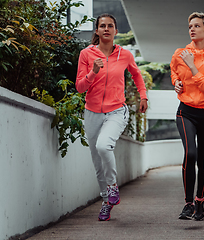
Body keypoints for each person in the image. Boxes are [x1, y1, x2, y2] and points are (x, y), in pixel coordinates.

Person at [76, 13, 148, 221]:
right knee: (98, 163)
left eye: (110, 26)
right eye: (102, 26)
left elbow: (136, 75)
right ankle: (106, 201)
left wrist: (143, 96)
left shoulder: (125, 55)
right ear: (97, 31)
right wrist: (93, 72)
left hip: (117, 110)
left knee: (103, 146)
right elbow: (80, 87)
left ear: (116, 31)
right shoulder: (86, 54)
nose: (106, 29)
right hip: (92, 113)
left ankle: (113, 186)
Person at [170, 12, 204, 221]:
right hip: (186, 112)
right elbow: (173, 71)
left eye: (197, 26)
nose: (192, 29)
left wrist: (192, 66)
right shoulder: (180, 53)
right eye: (190, 26)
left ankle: (200, 200)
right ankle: (188, 204)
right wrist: (176, 82)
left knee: (203, 160)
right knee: (190, 153)